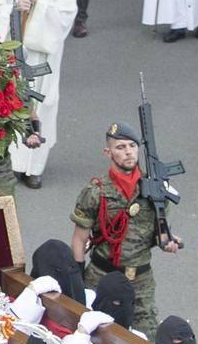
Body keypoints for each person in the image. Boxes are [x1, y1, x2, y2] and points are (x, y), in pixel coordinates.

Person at [0, 0, 77, 190]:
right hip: (14, 58)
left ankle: (34, 169)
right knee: (10, 105)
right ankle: (12, 161)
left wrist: (40, 4)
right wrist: (14, 9)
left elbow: (64, 20)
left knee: (42, 106)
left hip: (41, 59)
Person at [70, 121, 179, 332]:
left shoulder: (156, 189)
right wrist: (77, 281)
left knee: (147, 340)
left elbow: (161, 231)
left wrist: (167, 242)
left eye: (132, 145)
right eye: (120, 147)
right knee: (94, 335)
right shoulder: (95, 192)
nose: (128, 152)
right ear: (108, 152)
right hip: (101, 276)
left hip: (140, 280)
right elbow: (79, 239)